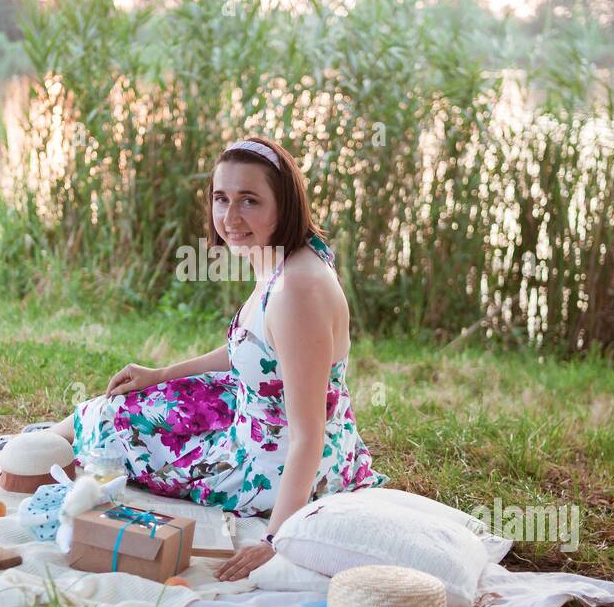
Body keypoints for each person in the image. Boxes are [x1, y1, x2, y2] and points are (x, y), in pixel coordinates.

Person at [47, 136, 387, 581]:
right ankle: (43, 443)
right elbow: (255, 352)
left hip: (277, 463)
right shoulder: (287, 256)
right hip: (267, 416)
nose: (230, 217)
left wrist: (274, 540)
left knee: (118, 419)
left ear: (283, 204)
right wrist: (163, 373)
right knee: (160, 394)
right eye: (221, 198)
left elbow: (308, 433)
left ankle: (36, 451)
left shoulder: (297, 293)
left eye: (249, 200)